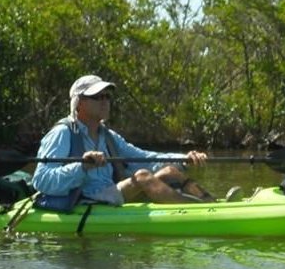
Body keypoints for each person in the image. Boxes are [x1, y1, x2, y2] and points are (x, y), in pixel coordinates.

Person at [31, 74, 213, 210]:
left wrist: (184, 158)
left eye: (107, 97)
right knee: (142, 177)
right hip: (87, 199)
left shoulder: (108, 135)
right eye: (97, 97)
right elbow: (41, 180)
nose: (105, 102)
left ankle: (210, 203)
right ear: (79, 104)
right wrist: (81, 166)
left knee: (171, 171)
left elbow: (145, 157)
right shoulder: (62, 133)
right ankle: (200, 212)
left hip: (111, 192)